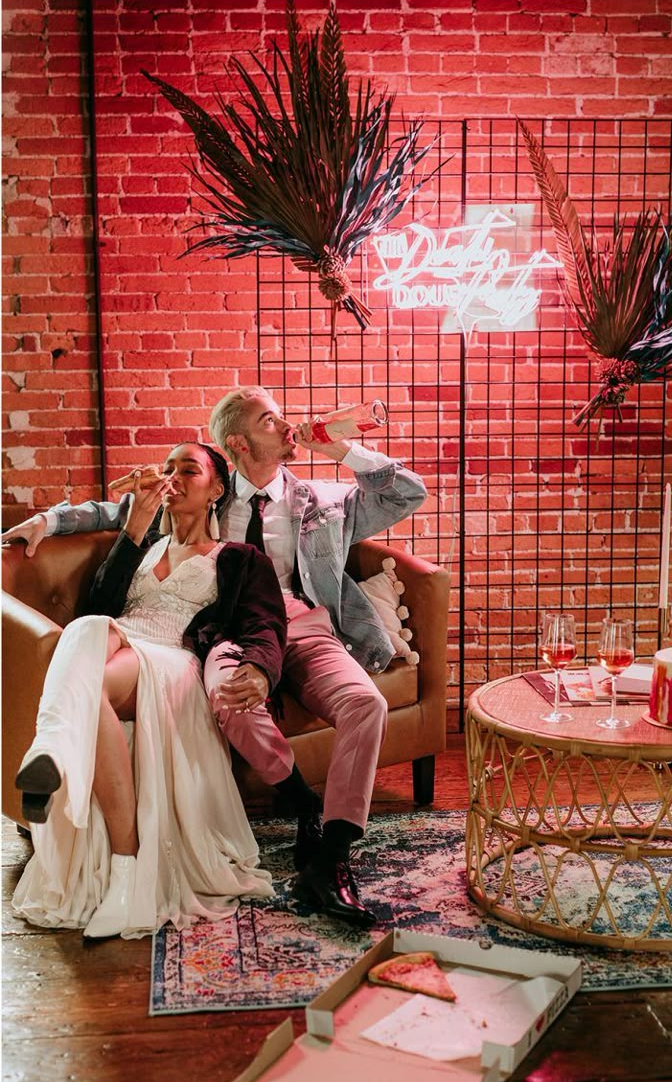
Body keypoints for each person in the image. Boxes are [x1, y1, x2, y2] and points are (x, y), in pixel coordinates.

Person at [3, 388, 428, 927]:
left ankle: (333, 855)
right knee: (230, 704)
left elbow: (408, 493)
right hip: (224, 632)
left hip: (304, 625)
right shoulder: (207, 496)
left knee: (365, 703)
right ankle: (302, 804)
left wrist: (341, 450)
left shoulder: (322, 500)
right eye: (271, 419)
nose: (289, 424)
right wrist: (50, 521)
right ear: (238, 442)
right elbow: (119, 509)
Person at [11, 441, 286, 940]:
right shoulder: (144, 545)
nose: (173, 477)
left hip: (172, 659)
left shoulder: (239, 558)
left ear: (216, 490)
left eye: (189, 469)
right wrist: (135, 527)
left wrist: (262, 671)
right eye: (167, 469)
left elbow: (265, 626)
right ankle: (122, 866)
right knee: (90, 630)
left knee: (90, 641)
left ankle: (55, 754)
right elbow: (100, 604)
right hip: (117, 645)